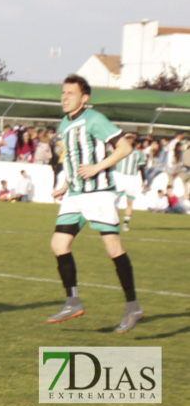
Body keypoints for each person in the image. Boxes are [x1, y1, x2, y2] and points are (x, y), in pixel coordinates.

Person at [47, 75, 142, 334]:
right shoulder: (63, 124)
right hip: (75, 194)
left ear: (84, 98)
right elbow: (70, 158)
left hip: (98, 193)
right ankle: (72, 302)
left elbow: (124, 148)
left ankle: (132, 306)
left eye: (70, 93)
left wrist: (97, 167)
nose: (64, 97)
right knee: (59, 244)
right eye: (63, 92)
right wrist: (66, 185)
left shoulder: (95, 119)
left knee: (113, 248)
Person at [113, 139, 146, 231]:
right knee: (116, 201)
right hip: (120, 176)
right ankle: (115, 222)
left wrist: (143, 181)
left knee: (129, 202)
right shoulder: (120, 151)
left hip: (132, 178)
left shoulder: (138, 153)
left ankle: (125, 224)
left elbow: (141, 167)